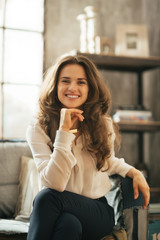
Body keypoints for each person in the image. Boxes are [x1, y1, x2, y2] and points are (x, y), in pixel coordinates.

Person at [26, 54, 150, 240]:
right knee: (68, 224)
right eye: (65, 81)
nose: (72, 88)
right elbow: (55, 183)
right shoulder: (38, 128)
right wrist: (64, 132)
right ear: (55, 86)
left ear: (90, 88)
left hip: (97, 211)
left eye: (81, 82)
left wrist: (134, 172)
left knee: (45, 198)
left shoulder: (102, 124)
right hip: (59, 211)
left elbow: (108, 161)